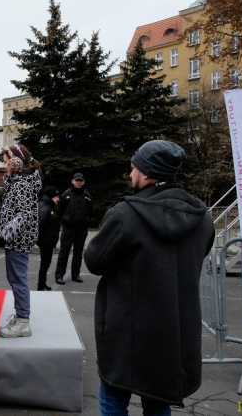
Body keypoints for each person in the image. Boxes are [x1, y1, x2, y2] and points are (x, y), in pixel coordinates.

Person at [84, 140, 214, 415]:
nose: (130, 175)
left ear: (146, 172)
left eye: (133, 168)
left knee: (112, 400)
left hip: (126, 332)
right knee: (158, 403)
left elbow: (94, 261)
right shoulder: (202, 217)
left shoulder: (125, 214)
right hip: (174, 335)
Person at [0, 144, 42, 338]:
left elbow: (25, 214)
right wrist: (0, 225)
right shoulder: (19, 181)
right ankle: (21, 317)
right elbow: (13, 210)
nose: (4, 166)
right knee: (15, 278)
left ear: (15, 163)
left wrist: (5, 233)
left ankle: (23, 321)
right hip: (17, 238)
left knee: (17, 279)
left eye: (6, 162)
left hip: (18, 239)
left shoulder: (22, 183)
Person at [55, 172, 93, 284]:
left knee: (78, 252)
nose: (78, 182)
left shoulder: (87, 195)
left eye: (80, 181)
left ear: (83, 182)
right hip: (68, 228)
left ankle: (75, 275)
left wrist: (86, 220)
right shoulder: (66, 194)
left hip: (81, 229)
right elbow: (60, 211)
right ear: (72, 181)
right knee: (64, 252)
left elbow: (90, 211)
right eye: (76, 180)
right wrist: (65, 221)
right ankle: (59, 275)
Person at [37, 186, 61, 291]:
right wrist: (44, 239)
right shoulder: (45, 208)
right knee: (45, 263)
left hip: (47, 240)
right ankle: (41, 285)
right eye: (56, 197)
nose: (58, 199)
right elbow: (40, 225)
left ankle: (42, 284)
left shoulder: (47, 206)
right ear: (51, 197)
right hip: (46, 241)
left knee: (46, 263)